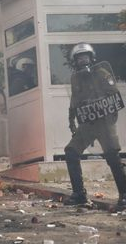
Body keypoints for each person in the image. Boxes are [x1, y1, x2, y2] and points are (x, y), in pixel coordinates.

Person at [64, 43, 126, 208]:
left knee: (112, 156)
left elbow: (114, 97)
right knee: (71, 151)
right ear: (75, 61)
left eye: (85, 56)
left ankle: (125, 195)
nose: (83, 60)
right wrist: (72, 122)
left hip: (104, 121)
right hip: (87, 124)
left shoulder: (101, 73)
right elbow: (74, 102)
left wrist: (108, 115)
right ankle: (79, 194)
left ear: (92, 58)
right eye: (79, 58)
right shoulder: (75, 78)